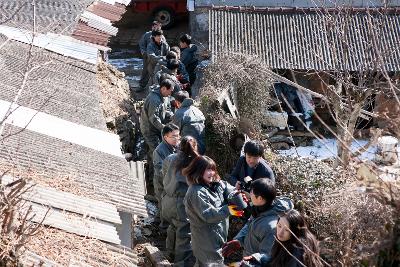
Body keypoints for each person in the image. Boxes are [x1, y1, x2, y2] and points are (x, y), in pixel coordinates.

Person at [183, 155, 244, 266]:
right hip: (205, 239)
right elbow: (208, 215)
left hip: (218, 235)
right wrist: (228, 209)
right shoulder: (196, 192)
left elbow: (227, 188)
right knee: (213, 263)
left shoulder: (215, 184)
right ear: (198, 170)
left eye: (212, 169)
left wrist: (235, 194)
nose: (211, 173)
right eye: (207, 170)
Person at [222, 178, 293, 265]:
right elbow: (249, 223)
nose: (249, 194)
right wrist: (239, 240)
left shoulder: (272, 227)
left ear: (259, 198)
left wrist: (245, 265)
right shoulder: (261, 209)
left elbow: (267, 258)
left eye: (252, 192)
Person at [161, 136, 199, 266]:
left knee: (172, 227)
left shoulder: (170, 158)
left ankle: (169, 255)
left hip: (167, 200)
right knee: (184, 234)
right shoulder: (196, 162)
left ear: (179, 146)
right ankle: (181, 262)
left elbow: (163, 175)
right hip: (182, 203)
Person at [140, 79, 175, 196]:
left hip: (157, 130)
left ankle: (151, 177)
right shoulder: (154, 99)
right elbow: (153, 118)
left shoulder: (164, 97)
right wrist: (164, 129)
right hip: (150, 130)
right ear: (163, 88)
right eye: (169, 91)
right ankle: (153, 183)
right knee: (156, 153)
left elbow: (167, 109)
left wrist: (172, 117)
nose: (170, 94)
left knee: (153, 153)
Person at [153, 123, 180, 229]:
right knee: (163, 203)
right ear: (165, 137)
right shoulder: (159, 151)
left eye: (178, 135)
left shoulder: (178, 146)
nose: (177, 138)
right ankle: (163, 228)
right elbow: (159, 170)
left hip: (174, 181)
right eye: (174, 136)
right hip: (162, 182)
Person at [138, 21, 162, 92]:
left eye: (158, 28)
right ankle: (142, 86)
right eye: (155, 27)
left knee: (156, 72)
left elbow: (164, 47)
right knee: (145, 71)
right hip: (147, 57)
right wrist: (143, 52)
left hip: (157, 58)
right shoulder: (147, 35)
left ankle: (156, 87)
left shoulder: (161, 37)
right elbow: (141, 44)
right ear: (152, 27)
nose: (156, 29)